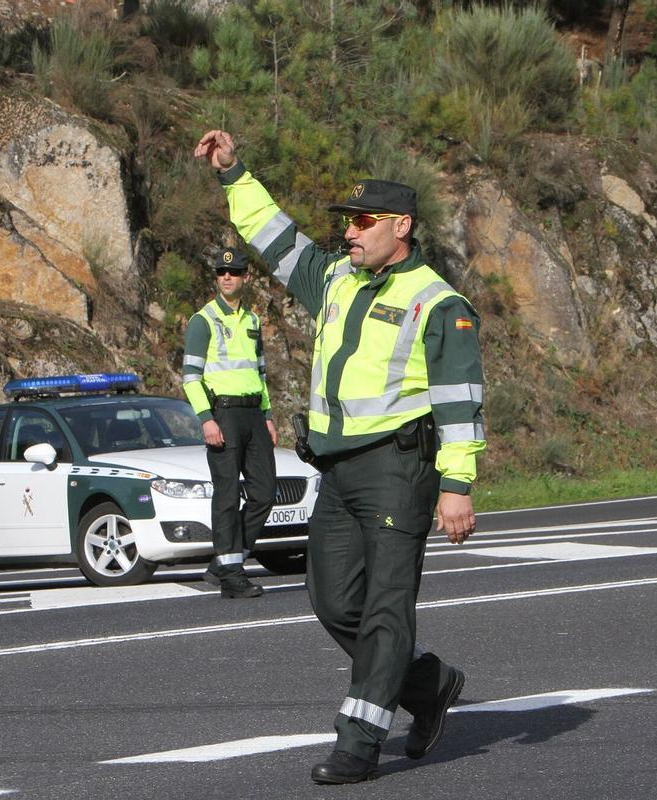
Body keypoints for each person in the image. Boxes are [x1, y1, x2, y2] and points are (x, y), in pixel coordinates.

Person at [194, 129, 486, 784]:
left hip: (398, 470)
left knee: (386, 608)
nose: (349, 232)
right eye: (347, 222)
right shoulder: (332, 277)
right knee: (331, 601)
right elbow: (271, 235)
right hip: (337, 471)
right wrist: (232, 172)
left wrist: (457, 484)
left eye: (363, 221)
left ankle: (357, 741)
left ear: (401, 225)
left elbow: (461, 402)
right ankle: (428, 681)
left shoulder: (438, 303)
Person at [181, 246, 279, 599]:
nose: (227, 277)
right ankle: (232, 575)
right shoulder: (202, 320)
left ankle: (223, 561)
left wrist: (267, 415)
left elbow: (260, 372)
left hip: (253, 414)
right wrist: (206, 419)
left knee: (265, 492)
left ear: (246, 277)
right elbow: (191, 377)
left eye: (235, 272)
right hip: (222, 414)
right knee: (226, 495)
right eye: (222, 273)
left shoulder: (252, 321)